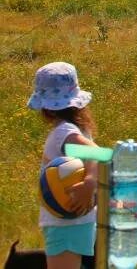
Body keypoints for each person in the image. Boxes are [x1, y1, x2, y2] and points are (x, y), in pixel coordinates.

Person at [29, 62, 99, 269]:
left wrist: (89, 183)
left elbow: (94, 153)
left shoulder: (63, 132)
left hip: (64, 224)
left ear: (45, 108)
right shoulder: (77, 130)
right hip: (79, 221)